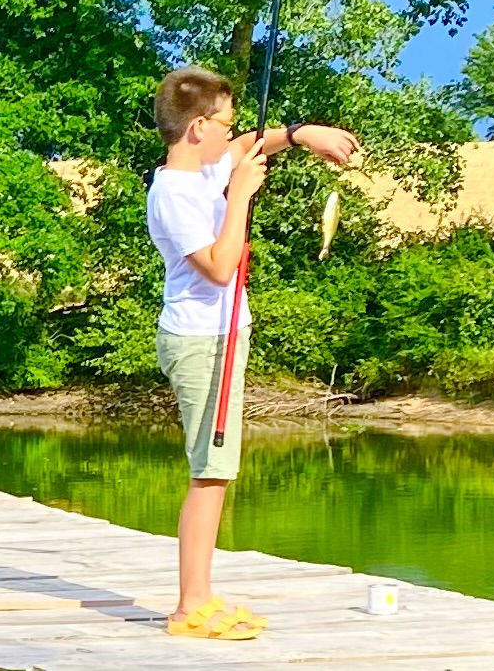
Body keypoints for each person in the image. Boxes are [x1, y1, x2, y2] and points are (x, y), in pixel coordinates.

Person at [146, 66, 358, 640]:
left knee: (217, 471)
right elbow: (219, 268)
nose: (232, 132)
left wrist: (303, 134)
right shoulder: (172, 195)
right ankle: (189, 607)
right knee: (210, 472)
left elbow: (245, 146)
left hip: (223, 336)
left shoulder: (204, 167)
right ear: (197, 128)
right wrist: (239, 194)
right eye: (224, 123)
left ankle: (201, 595)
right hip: (200, 342)